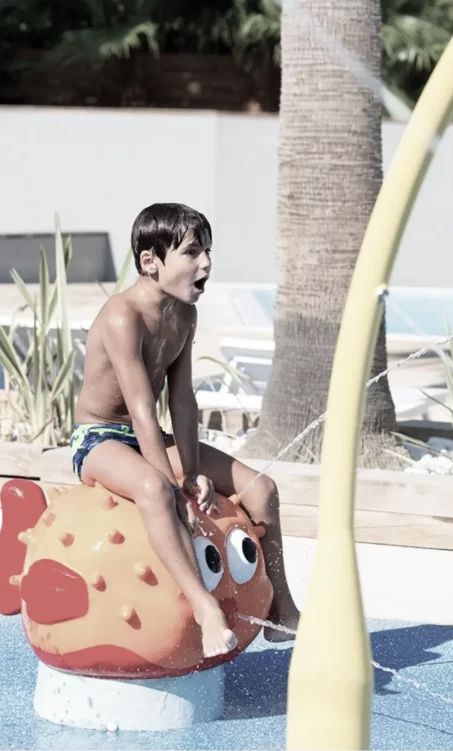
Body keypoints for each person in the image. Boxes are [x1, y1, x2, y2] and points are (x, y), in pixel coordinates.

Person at [71, 203, 300, 654]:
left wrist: (192, 471)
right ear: (150, 262)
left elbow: (181, 399)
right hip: (101, 438)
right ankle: (203, 607)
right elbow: (141, 409)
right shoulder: (122, 316)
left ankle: (282, 608)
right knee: (155, 491)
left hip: (150, 437)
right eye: (193, 252)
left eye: (208, 251)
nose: (206, 263)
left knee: (262, 490)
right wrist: (176, 490)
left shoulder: (184, 316)